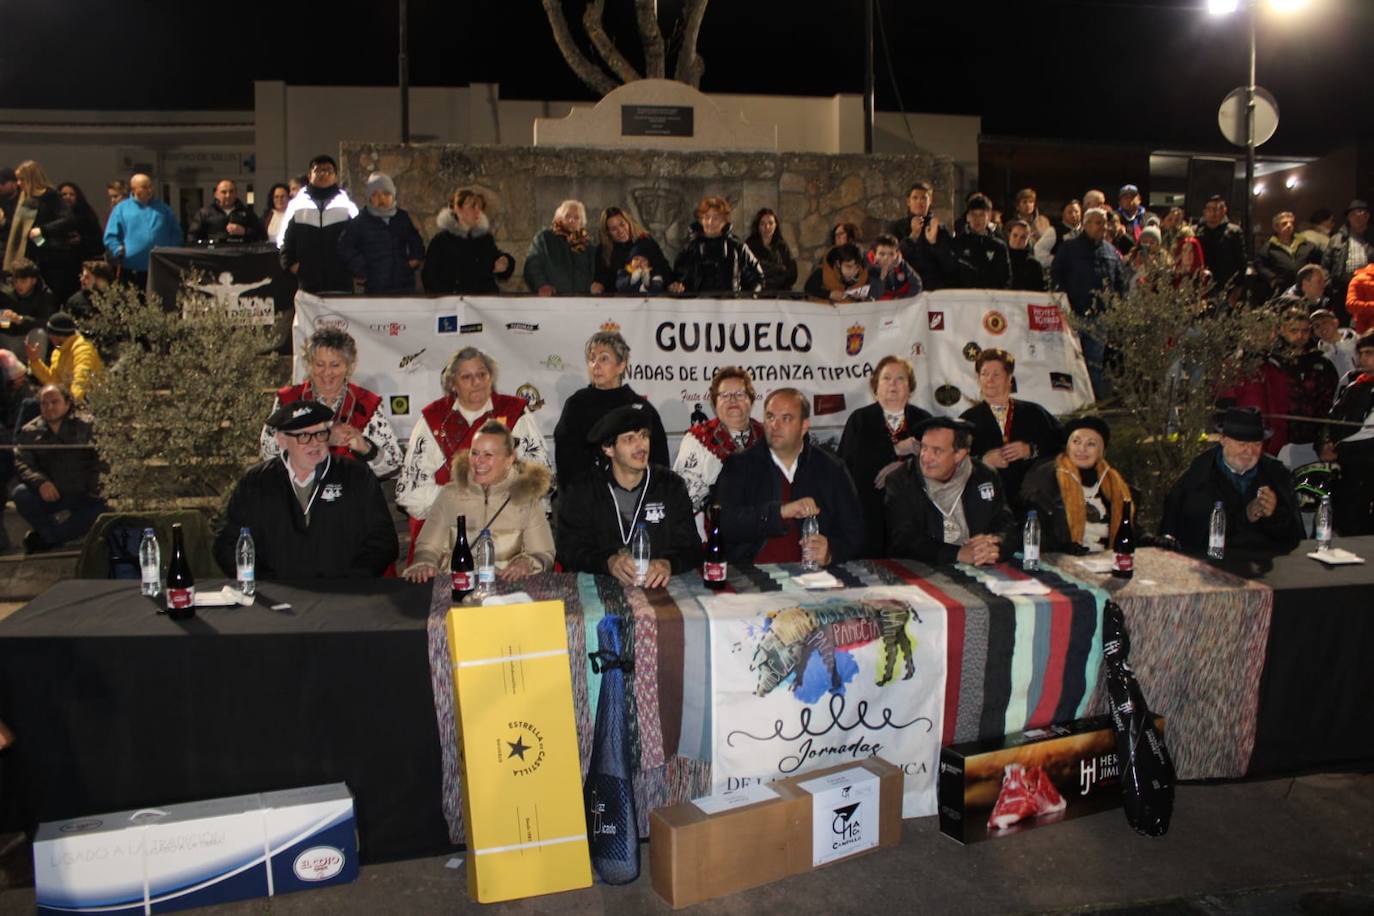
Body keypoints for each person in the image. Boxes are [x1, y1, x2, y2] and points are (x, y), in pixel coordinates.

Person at [215, 400, 398, 579]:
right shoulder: (256, 482)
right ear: (282, 440)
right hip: (276, 596)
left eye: (320, 434)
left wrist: (353, 580)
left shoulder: (357, 476)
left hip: (344, 595)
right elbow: (228, 543)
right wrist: (264, 583)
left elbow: (383, 540)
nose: (314, 443)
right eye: (303, 436)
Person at [396, 347, 548, 557]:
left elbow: (538, 477)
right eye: (466, 377)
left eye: (482, 374)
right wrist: (465, 503)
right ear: (452, 384)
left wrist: (497, 504)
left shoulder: (514, 412)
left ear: (491, 377)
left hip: (508, 529)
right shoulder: (433, 418)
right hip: (448, 531)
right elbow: (410, 493)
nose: (476, 382)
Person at [714, 388, 864, 567]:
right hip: (752, 577)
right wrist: (780, 512)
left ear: (804, 426)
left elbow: (855, 535)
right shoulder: (739, 466)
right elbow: (724, 524)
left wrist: (831, 552)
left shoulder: (832, 469)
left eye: (786, 418)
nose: (774, 425)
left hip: (814, 578)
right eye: (770, 417)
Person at [555, 403, 700, 586]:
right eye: (629, 439)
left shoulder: (671, 485)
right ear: (608, 449)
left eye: (644, 436)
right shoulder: (583, 489)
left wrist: (668, 563)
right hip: (600, 590)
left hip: (661, 590)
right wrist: (607, 562)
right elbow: (567, 549)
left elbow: (692, 548)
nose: (641, 446)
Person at [403, 420, 555, 582]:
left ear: (509, 460)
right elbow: (428, 547)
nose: (479, 461)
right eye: (474, 453)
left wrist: (527, 562)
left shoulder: (527, 497)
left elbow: (544, 554)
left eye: (488, 455)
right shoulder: (449, 495)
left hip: (509, 591)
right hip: (457, 588)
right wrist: (425, 563)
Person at [1160, 406, 1304, 557]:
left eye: (1256, 444)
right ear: (1223, 440)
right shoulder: (1201, 475)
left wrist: (1273, 514)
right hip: (1214, 566)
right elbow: (1195, 536)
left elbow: (1293, 538)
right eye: (1242, 444)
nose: (1249, 452)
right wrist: (1246, 516)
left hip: (1266, 566)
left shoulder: (1275, 474)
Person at [260, 328, 402, 477]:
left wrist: (365, 447)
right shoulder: (290, 400)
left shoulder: (365, 403)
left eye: (335, 365)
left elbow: (394, 463)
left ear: (349, 367)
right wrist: (325, 439)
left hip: (350, 494)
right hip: (297, 495)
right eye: (320, 364)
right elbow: (269, 451)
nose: (327, 372)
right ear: (309, 365)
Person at [883, 416, 1019, 566]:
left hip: (981, 567)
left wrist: (994, 544)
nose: (926, 457)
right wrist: (957, 554)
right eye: (924, 447)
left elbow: (1007, 525)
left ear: (959, 454)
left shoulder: (985, 476)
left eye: (937, 451)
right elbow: (903, 540)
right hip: (923, 571)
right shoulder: (901, 480)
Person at [839, 355, 932, 558]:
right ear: (875, 387)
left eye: (900, 379)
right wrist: (896, 450)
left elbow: (939, 464)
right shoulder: (860, 419)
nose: (893, 384)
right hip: (869, 515)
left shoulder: (923, 420)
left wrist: (905, 466)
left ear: (910, 387)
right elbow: (848, 467)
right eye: (886, 378)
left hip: (913, 519)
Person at [553, 330, 668, 489]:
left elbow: (659, 466)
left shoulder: (641, 409)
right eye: (592, 359)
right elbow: (566, 463)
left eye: (604, 358)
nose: (596, 365)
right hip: (587, 500)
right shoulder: (576, 405)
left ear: (621, 365)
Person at [960, 348, 1062, 508]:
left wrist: (1030, 450)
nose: (989, 380)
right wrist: (982, 461)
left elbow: (1061, 444)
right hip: (986, 504)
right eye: (984, 374)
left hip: (1033, 503)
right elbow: (954, 461)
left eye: (996, 375)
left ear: (1009, 379)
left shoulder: (1034, 413)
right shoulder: (967, 420)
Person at [1019, 416, 1135, 554]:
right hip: (1060, 559)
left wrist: (1150, 539)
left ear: (1101, 451)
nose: (1082, 449)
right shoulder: (1045, 476)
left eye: (1091, 444)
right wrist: (1062, 547)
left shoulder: (1113, 481)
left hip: (1107, 558)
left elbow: (1129, 526)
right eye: (1076, 442)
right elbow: (1031, 527)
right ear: (1068, 447)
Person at [13, 383, 105, 553]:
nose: (49, 407)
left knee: (104, 506)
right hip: (52, 493)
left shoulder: (88, 426)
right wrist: (41, 483)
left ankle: (47, 538)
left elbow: (103, 459)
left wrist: (93, 487)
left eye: (54, 402)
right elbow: (23, 462)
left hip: (85, 493)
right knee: (21, 494)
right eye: (44, 403)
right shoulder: (29, 431)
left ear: (67, 403)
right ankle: (56, 536)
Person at [1051, 207, 1126, 398]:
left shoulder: (1111, 251)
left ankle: (1092, 405)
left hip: (1100, 319)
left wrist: (1115, 309)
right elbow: (1056, 276)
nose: (1104, 226)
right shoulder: (1069, 248)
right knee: (1070, 363)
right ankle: (1070, 402)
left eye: (1105, 223)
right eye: (1099, 222)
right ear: (1086, 224)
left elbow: (1119, 283)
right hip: (1073, 317)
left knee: (1094, 364)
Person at [672, 366, 765, 516]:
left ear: (751, 400)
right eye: (725, 395)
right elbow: (682, 489)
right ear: (714, 403)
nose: (733, 400)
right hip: (710, 530)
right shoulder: (697, 438)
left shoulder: (767, 436)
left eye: (740, 394)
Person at [277, 155, 358, 294]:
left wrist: (355, 268)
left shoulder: (346, 204)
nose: (323, 174)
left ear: (336, 176)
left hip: (341, 284)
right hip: (308, 285)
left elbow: (359, 238)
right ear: (310, 175)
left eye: (328, 170)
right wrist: (291, 264)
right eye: (318, 170)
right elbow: (284, 240)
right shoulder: (297, 205)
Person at [336, 172, 424, 293]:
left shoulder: (402, 218)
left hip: (403, 286)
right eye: (375, 194)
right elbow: (345, 247)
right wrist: (361, 269)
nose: (381, 199)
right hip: (375, 287)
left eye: (386, 194)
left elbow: (415, 240)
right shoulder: (360, 221)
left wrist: (413, 260)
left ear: (393, 195)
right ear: (369, 197)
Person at [4, 161, 78, 304]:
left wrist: (43, 230)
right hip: (29, 255)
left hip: (49, 255)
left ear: (31, 178)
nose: (19, 183)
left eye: (22, 179)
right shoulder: (24, 198)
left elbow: (68, 220)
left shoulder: (51, 196)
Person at [1323, 331, 1374, 534]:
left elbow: (1369, 433)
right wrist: (1325, 442)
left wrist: (1339, 450)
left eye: (1369, 353)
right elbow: (1332, 417)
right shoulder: (1354, 385)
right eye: (1360, 353)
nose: (1362, 358)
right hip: (1348, 471)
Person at [422, 188, 514, 294]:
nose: (478, 211)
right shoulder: (441, 241)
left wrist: (505, 261)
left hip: (482, 304)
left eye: (480, 207)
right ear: (458, 210)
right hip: (453, 305)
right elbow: (430, 277)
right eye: (472, 207)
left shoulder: (484, 239)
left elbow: (494, 259)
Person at [671, 196, 763, 295]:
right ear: (701, 220)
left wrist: (748, 300)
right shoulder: (688, 249)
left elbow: (758, 278)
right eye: (706, 217)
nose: (710, 222)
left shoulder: (738, 247)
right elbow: (677, 280)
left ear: (724, 221)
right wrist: (676, 287)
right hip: (696, 307)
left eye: (716, 218)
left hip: (730, 307)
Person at [103, 173, 183, 287]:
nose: (150, 189)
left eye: (150, 186)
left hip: (159, 267)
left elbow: (176, 233)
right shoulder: (121, 209)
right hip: (131, 269)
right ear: (134, 189)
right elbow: (110, 236)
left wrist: (170, 251)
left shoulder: (163, 208)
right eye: (145, 187)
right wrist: (117, 249)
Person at [524, 199, 599, 295]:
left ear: (581, 223)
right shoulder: (545, 238)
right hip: (553, 298)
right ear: (558, 218)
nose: (572, 220)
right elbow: (532, 265)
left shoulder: (588, 245)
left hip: (583, 300)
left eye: (576, 218)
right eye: (567, 216)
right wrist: (541, 284)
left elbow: (597, 271)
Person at [26, 312, 103, 405]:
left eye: (51, 334)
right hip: (66, 400)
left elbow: (81, 381)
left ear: (59, 335)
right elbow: (54, 382)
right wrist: (35, 361)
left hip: (88, 402)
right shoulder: (58, 351)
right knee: (29, 404)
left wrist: (70, 404)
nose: (49, 337)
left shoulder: (83, 350)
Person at [897, 180, 959, 291]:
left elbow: (950, 264)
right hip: (906, 289)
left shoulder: (940, 228)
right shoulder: (897, 227)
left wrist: (934, 244)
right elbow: (894, 258)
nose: (919, 202)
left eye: (924, 198)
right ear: (908, 201)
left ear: (930, 201)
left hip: (934, 289)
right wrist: (912, 237)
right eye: (915, 198)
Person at [593, 206, 672, 293]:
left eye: (622, 224)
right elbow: (601, 278)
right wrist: (598, 286)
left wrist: (671, 284)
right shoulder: (603, 250)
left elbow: (663, 268)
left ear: (628, 222)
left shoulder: (646, 242)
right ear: (607, 232)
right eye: (614, 229)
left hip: (648, 299)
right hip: (617, 301)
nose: (620, 230)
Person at [1322, 200, 1372, 322]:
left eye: (1361, 212)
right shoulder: (1337, 239)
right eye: (1353, 214)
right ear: (1348, 217)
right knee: (1342, 322)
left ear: (1367, 216)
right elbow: (1325, 265)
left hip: (1369, 287)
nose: (1357, 216)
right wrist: (1330, 286)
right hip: (1342, 287)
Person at [1255, 211, 1320, 301]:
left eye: (1291, 223)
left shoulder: (1306, 245)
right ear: (1276, 227)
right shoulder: (1268, 248)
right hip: (1281, 291)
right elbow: (1260, 266)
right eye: (1284, 223)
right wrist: (1273, 280)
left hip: (1304, 289)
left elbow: (1318, 263)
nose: (1289, 225)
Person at [950, 194, 1011, 289]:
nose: (977, 219)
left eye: (982, 215)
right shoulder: (957, 244)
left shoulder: (998, 246)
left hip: (990, 301)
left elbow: (1005, 279)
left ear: (989, 217)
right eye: (973, 214)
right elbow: (952, 275)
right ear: (968, 217)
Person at [0, 258, 56, 354]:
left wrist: (21, 319)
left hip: (27, 338)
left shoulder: (44, 295)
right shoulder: (5, 289)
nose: (18, 285)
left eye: (23, 281)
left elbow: (46, 322)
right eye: (16, 281)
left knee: (39, 333)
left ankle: (36, 368)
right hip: (5, 336)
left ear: (33, 281)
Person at [1196, 195, 1246, 301]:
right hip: (1202, 286)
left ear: (1224, 210)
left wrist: (1238, 288)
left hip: (1226, 286)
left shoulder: (1234, 231)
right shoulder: (1198, 231)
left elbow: (1241, 261)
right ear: (1204, 212)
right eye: (1210, 209)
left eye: (1217, 209)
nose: (1214, 213)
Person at [187, 179, 266, 245]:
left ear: (236, 193)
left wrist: (244, 231)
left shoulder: (248, 213)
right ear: (216, 194)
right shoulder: (204, 213)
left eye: (231, 192)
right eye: (224, 192)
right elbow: (192, 237)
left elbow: (262, 236)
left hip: (240, 256)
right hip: (214, 256)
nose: (228, 195)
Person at [744, 207, 797, 293]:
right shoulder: (749, 246)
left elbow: (791, 273)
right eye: (763, 224)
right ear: (757, 226)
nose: (767, 227)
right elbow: (751, 272)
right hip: (758, 293)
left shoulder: (782, 246)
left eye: (771, 223)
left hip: (780, 293)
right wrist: (779, 269)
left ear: (776, 225)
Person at [804, 243, 874, 302]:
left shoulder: (863, 275)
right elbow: (809, 288)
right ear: (838, 264)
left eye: (856, 267)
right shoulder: (825, 271)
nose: (852, 272)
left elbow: (871, 295)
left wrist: (863, 299)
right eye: (848, 267)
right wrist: (829, 294)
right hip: (828, 312)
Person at [56, 183, 105, 260]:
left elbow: (98, 242)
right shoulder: (50, 215)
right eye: (64, 194)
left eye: (72, 194)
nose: (68, 197)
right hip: (56, 260)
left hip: (82, 259)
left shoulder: (87, 215)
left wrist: (82, 239)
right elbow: (38, 238)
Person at [1033, 199, 1082, 269]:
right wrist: (1059, 261)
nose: (1073, 215)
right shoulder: (1054, 231)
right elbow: (1039, 250)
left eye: (1076, 212)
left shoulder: (1086, 230)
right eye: (1070, 212)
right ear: (1063, 214)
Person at [868, 234, 919, 299]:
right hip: (881, 305)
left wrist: (906, 299)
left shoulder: (903, 266)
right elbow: (873, 295)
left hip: (902, 302)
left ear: (897, 254)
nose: (886, 258)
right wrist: (881, 279)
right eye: (882, 254)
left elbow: (917, 284)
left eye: (891, 254)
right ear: (875, 255)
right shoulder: (870, 270)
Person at [1311, 308, 1358, 379]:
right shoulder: (1319, 354)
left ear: (1336, 322)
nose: (1322, 327)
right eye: (1317, 326)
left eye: (1325, 322)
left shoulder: (1358, 341)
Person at [1006, 220, 1047, 291]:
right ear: (1009, 235)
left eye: (1023, 237)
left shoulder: (1034, 265)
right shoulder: (1000, 259)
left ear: (1028, 240)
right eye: (1015, 235)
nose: (1018, 240)